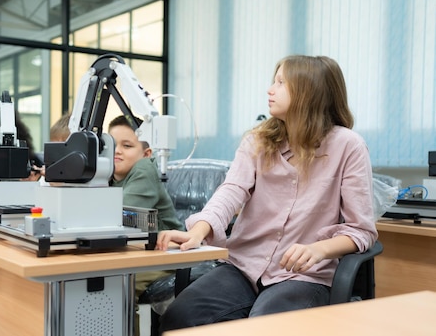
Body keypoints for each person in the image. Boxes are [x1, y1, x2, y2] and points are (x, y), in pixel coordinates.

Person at [155, 55, 378, 334]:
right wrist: (198, 230)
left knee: (265, 327)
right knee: (180, 317)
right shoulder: (257, 141)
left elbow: (361, 230)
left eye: (281, 83)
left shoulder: (348, 146)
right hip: (243, 267)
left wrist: (318, 249)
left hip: (303, 276)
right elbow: (231, 191)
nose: (270, 90)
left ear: (308, 91)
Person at [107, 115, 184, 336]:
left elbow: (116, 214)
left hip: (168, 255)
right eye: (111, 145)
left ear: (147, 154)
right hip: (136, 252)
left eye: (127, 145)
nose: (116, 151)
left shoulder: (144, 169)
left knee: (118, 284)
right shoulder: (109, 176)